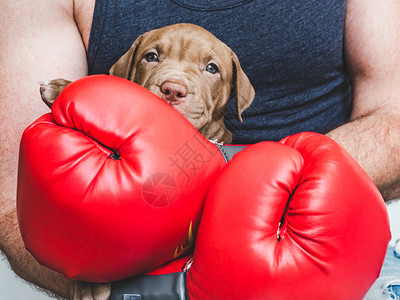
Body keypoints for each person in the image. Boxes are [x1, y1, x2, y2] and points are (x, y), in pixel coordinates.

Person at [1, 0, 399, 299]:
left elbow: (394, 121)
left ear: (232, 93)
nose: (174, 84)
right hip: (128, 255)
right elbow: (12, 201)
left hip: (312, 229)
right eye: (153, 59)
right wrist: (87, 275)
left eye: (209, 69)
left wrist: (261, 188)